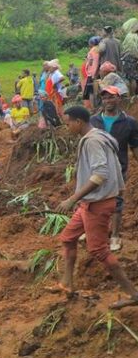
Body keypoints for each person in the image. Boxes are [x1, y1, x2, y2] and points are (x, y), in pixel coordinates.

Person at [54, 106, 138, 309]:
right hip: (89, 203)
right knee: (68, 238)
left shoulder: (92, 142)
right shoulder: (100, 135)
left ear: (78, 122)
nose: (67, 128)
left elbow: (100, 175)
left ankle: (133, 294)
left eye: (68, 124)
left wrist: (72, 199)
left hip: (97, 204)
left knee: (99, 250)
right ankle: (67, 283)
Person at [89, 87, 138, 252]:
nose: (108, 101)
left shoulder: (129, 122)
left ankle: (115, 235)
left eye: (111, 97)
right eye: (105, 98)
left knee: (116, 202)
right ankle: (94, 231)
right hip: (96, 167)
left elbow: (134, 146)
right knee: (94, 199)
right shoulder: (94, 120)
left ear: (119, 99)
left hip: (118, 167)